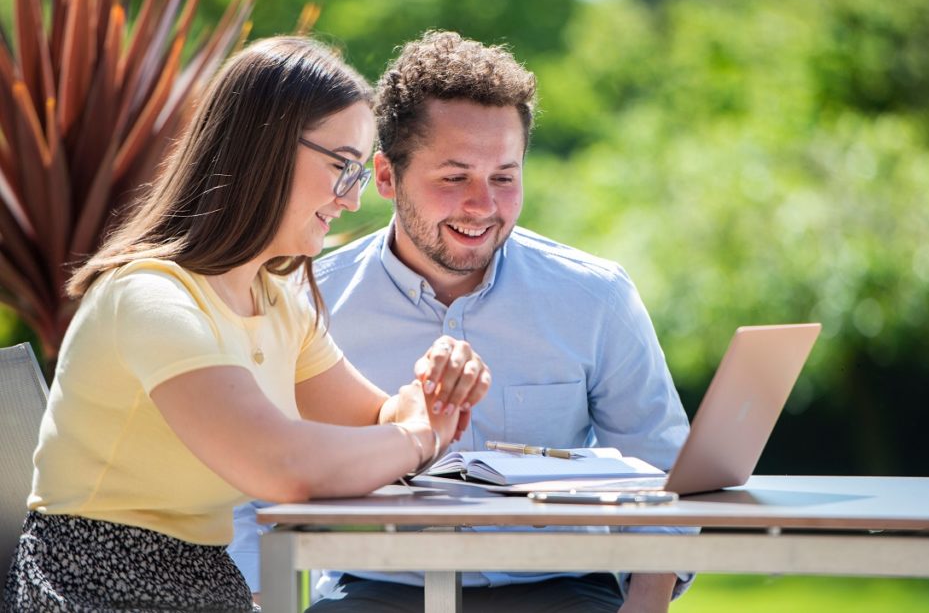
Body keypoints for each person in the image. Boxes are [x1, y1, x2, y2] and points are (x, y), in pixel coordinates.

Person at [1, 36, 490, 613]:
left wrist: (436, 389)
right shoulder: (150, 297)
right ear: (267, 149)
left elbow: (377, 420)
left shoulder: (277, 301)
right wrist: (419, 436)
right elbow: (281, 465)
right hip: (93, 588)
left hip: (201, 585)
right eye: (342, 168)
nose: (352, 201)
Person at [231, 30, 694, 612]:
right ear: (385, 178)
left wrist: (644, 605)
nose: (483, 205)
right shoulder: (304, 300)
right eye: (454, 177)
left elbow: (665, 470)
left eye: (504, 176)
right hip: (374, 592)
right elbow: (248, 487)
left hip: (564, 594)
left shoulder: (595, 296)